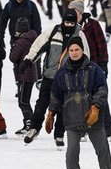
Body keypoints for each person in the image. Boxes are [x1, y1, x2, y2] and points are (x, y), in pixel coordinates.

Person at [48, 36, 111, 169]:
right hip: (71, 117)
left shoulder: (94, 69)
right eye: (71, 50)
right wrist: (51, 112)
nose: (74, 53)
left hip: (93, 118)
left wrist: (95, 106)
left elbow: (102, 89)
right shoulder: (61, 73)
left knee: (103, 150)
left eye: (77, 50)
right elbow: (56, 95)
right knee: (72, 150)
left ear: (82, 50)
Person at [23, 9, 82, 145]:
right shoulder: (53, 31)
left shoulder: (79, 35)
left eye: (71, 22)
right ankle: (34, 128)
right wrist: (29, 60)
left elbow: (85, 56)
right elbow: (38, 45)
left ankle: (59, 135)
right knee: (41, 103)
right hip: (49, 76)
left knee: (63, 107)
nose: (68, 25)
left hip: (68, 79)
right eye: (66, 22)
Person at [8, 17, 38, 135]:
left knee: (23, 101)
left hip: (24, 74)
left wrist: (14, 46)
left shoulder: (21, 41)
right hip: (31, 74)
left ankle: (30, 125)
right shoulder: (33, 39)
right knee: (25, 100)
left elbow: (13, 58)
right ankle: (29, 124)